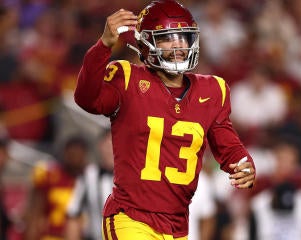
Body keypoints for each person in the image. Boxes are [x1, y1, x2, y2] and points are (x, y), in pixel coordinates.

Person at [74, 0, 256, 239]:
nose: (179, 46)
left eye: (183, 38)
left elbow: (227, 144)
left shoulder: (213, 90)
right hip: (131, 217)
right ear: (147, 43)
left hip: (177, 225)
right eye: (169, 38)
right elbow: (87, 98)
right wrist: (103, 46)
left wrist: (243, 164)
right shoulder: (127, 79)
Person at [23, 135, 89, 240]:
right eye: (72, 154)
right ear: (65, 153)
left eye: (78, 155)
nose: (75, 159)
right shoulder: (50, 174)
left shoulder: (90, 178)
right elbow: (35, 209)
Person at [65, 129, 114, 240]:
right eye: (108, 145)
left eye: (115, 144)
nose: (111, 150)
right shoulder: (88, 175)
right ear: (100, 146)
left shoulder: (132, 177)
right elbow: (73, 214)